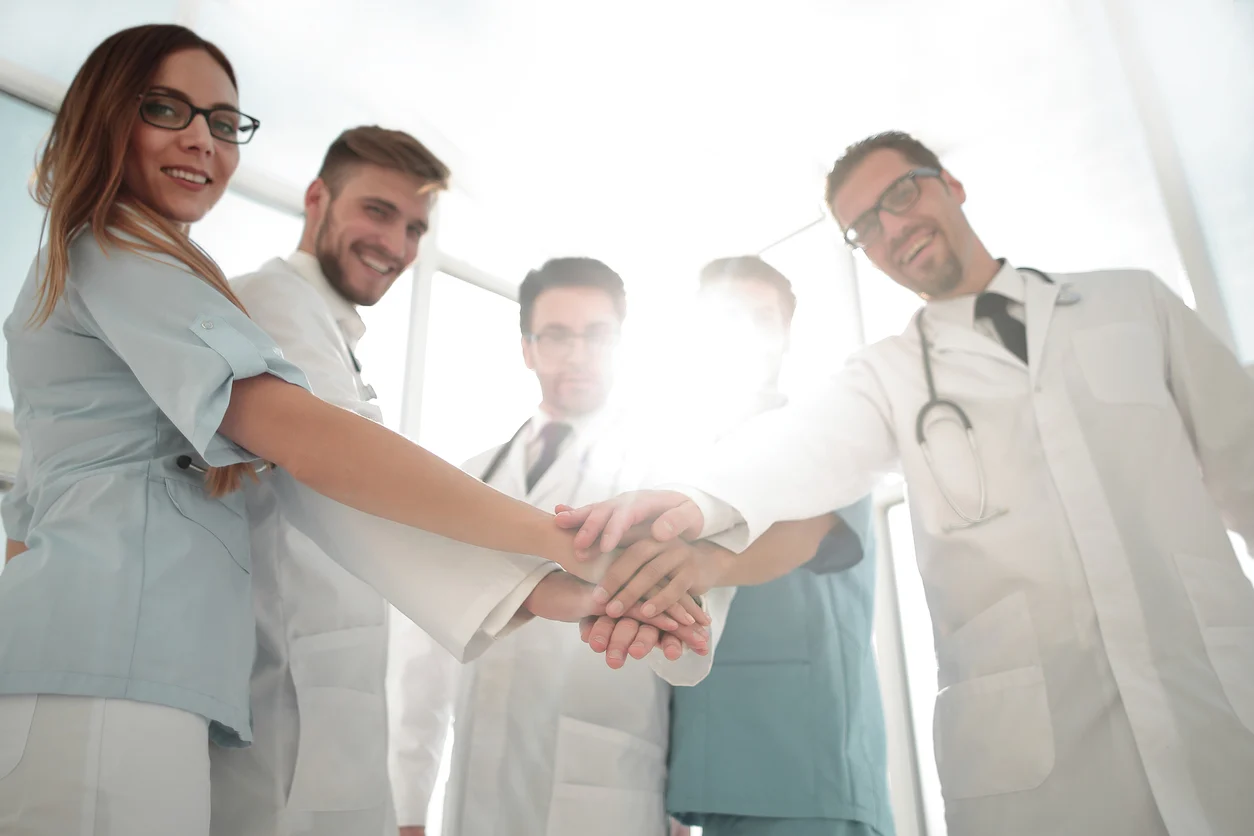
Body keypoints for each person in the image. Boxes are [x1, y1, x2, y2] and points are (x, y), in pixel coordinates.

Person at [0, 25, 702, 836]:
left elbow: (39, 505)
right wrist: (556, 544)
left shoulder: (146, 273)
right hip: (117, 668)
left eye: (225, 123)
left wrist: (546, 585)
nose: (202, 138)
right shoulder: (133, 253)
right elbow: (311, 446)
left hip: (139, 670)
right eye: (166, 108)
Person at [558, 131, 1254, 836]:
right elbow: (804, 449)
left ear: (948, 183)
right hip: (1036, 762)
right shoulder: (884, 375)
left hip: (1220, 702)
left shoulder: (1133, 304)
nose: (891, 228)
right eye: (865, 227)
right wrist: (694, 504)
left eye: (901, 194)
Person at [389, 257, 732, 836]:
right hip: (477, 789)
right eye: (556, 336)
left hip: (611, 788)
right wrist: (408, 806)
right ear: (527, 348)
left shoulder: (668, 473)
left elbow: (699, 644)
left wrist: (685, 807)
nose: (577, 355)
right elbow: (423, 654)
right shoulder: (471, 476)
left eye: (597, 335)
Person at [208, 125, 450, 836]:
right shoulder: (272, 301)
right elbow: (353, 465)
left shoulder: (329, 328)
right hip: (275, 700)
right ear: (317, 198)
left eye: (415, 228)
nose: (398, 246)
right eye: (378, 212)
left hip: (320, 699)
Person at [659, 256, 893, 836]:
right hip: (713, 772)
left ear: (786, 332)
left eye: (761, 317)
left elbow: (804, 537)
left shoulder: (824, 432)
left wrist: (701, 564)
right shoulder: (688, 452)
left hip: (806, 762)